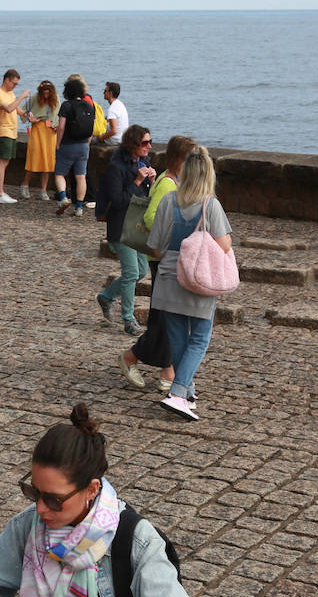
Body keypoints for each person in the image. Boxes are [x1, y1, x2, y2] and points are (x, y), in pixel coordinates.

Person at [0, 403, 197, 597]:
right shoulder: (29, 525)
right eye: (33, 492)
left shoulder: (137, 539)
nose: (40, 508)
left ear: (92, 489)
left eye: (54, 499)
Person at [147, 146, 232, 420]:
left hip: (169, 277)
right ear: (208, 175)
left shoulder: (167, 201)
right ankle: (178, 393)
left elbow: (155, 246)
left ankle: (188, 392)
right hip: (198, 279)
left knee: (178, 338)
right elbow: (224, 245)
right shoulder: (211, 205)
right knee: (199, 338)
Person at [120, 135, 196, 394]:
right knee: (165, 317)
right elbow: (152, 217)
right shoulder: (166, 184)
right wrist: (177, 231)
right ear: (179, 159)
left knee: (171, 316)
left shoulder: (176, 181)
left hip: (171, 257)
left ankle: (168, 370)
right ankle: (131, 357)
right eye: (190, 159)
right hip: (163, 258)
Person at [98, 125, 156, 336]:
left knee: (140, 271)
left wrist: (151, 182)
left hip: (137, 225)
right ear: (133, 144)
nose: (149, 146)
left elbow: (146, 197)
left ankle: (106, 297)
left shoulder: (143, 162)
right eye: (145, 143)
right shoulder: (116, 166)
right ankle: (129, 320)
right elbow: (118, 200)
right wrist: (138, 180)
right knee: (131, 272)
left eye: (150, 142)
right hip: (121, 226)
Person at [53, 77, 96, 217]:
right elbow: (91, 129)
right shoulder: (89, 106)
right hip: (84, 146)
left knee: (59, 173)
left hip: (68, 144)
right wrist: (87, 143)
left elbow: (61, 127)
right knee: (81, 176)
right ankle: (79, 207)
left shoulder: (66, 106)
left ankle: (63, 198)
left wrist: (58, 143)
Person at [0, 69, 31, 204]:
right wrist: (22, 97)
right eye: (14, 83)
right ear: (7, 80)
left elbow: (16, 109)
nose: (15, 86)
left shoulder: (10, 93)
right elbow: (8, 108)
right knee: (2, 162)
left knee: (6, 161)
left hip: (12, 131)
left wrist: (26, 114)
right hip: (4, 131)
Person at [18, 80, 59, 201]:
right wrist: (30, 118)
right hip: (38, 128)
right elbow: (23, 111)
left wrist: (57, 125)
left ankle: (43, 190)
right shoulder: (35, 98)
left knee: (48, 161)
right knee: (34, 158)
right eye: (44, 93)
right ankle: (25, 185)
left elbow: (59, 114)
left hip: (50, 131)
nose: (46, 96)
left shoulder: (56, 99)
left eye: (48, 93)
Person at [101, 82, 128, 147]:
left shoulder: (112, 109)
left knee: (92, 138)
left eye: (105, 91)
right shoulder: (119, 104)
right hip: (122, 138)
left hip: (114, 140)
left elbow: (114, 131)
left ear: (110, 93)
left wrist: (101, 138)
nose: (103, 93)